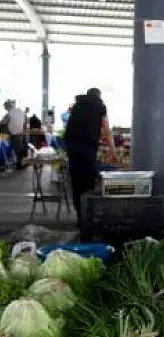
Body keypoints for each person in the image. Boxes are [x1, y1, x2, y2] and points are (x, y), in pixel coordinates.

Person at [64, 88, 117, 233]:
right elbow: (106, 129)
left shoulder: (77, 105)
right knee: (88, 181)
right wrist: (112, 150)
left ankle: (80, 217)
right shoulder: (100, 106)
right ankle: (86, 221)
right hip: (87, 147)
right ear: (98, 95)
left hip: (72, 146)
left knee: (76, 182)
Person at [2, 100, 27, 169]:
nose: (5, 108)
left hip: (12, 135)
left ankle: (19, 165)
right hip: (21, 134)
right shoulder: (21, 112)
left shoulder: (9, 114)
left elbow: (2, 123)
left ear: (8, 106)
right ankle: (21, 164)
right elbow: (25, 122)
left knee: (16, 150)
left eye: (5, 107)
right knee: (20, 150)